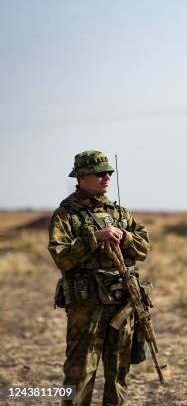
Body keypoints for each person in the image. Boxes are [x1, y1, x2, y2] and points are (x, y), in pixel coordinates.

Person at [48, 151, 150, 405]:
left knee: (118, 373)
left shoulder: (120, 214)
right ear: (82, 177)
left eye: (109, 173)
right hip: (87, 306)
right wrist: (94, 238)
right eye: (100, 173)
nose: (107, 178)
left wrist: (123, 236)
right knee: (79, 372)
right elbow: (61, 256)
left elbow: (143, 249)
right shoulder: (65, 215)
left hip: (121, 304)